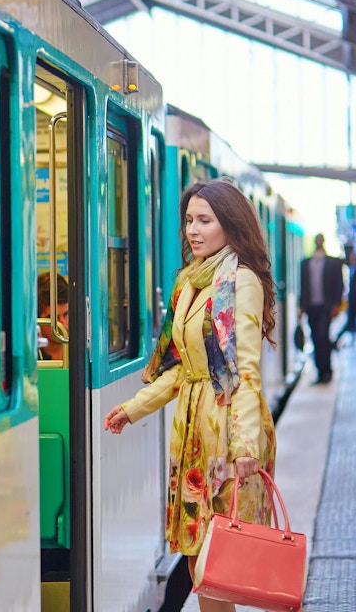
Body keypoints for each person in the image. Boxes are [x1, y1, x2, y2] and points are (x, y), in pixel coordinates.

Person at [104, 179, 276, 612]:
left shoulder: (242, 282)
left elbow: (246, 373)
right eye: (189, 221)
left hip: (227, 433)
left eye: (205, 220)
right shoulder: (188, 283)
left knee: (220, 565)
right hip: (191, 435)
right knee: (200, 559)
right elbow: (182, 366)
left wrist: (245, 445)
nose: (193, 230)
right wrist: (134, 408)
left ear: (230, 226)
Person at [299, 233, 344, 383]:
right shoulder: (305, 264)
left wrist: (336, 305)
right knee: (315, 338)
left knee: (323, 336)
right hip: (311, 307)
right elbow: (303, 286)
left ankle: (327, 370)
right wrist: (301, 306)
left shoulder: (333, 263)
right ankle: (320, 371)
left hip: (327, 306)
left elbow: (339, 285)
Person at [37, 271, 69, 361]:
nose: (62, 324)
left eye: (66, 314)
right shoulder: (30, 357)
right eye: (52, 318)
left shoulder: (82, 352)